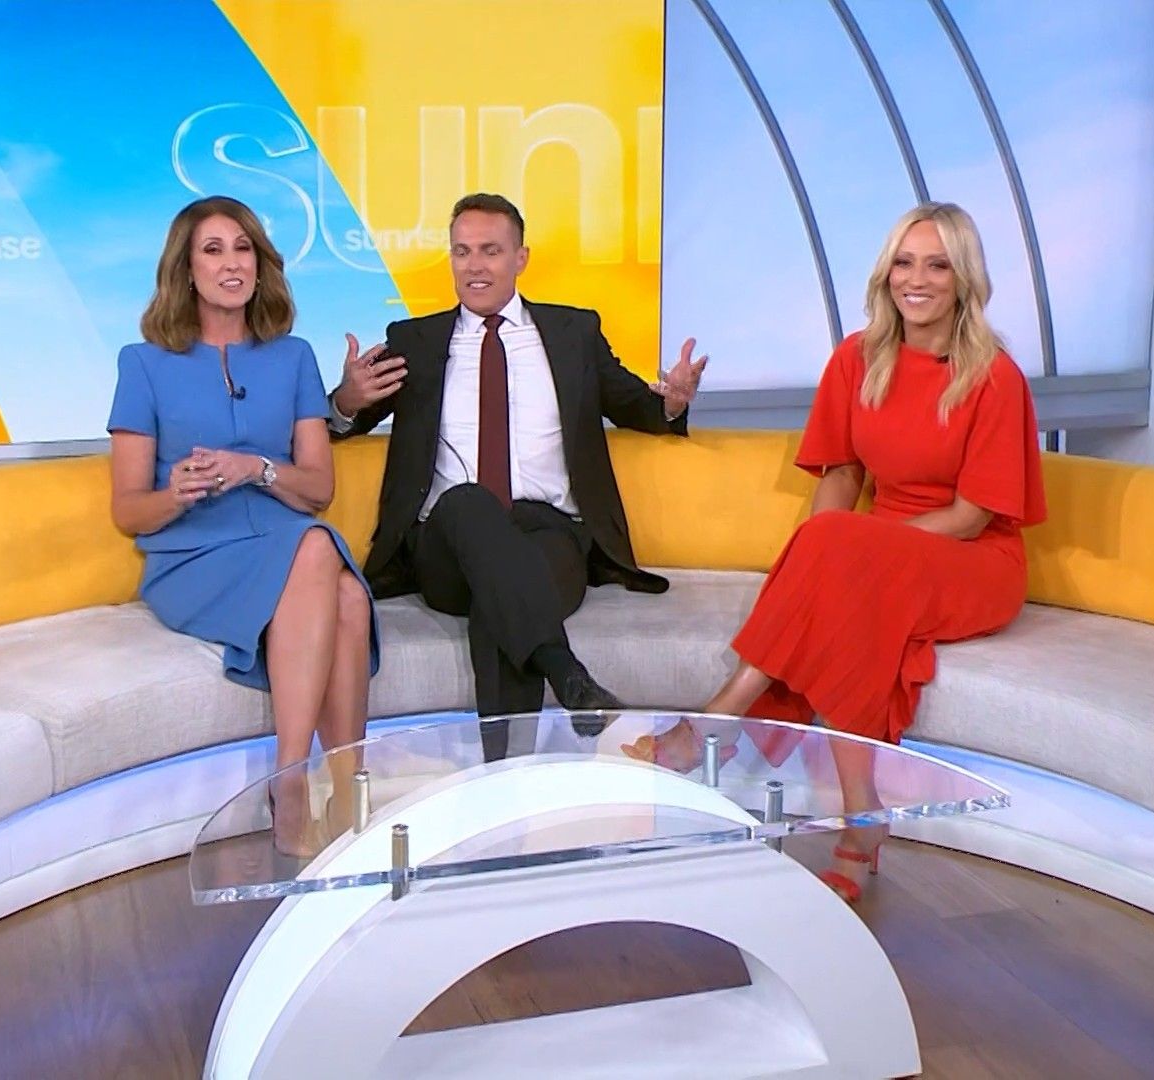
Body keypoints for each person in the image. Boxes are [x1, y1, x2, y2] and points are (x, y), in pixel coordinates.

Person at [624, 202, 1045, 902]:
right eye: (904, 263)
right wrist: (828, 560)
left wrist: (852, 552)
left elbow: (972, 517)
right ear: (885, 274)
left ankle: (717, 721)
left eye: (937, 265)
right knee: (849, 589)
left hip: (971, 559)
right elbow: (843, 475)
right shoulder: (857, 359)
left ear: (964, 279)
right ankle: (861, 815)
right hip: (877, 551)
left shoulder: (994, 376)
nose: (916, 279)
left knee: (849, 564)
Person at [327, 193, 707, 757]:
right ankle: (567, 674)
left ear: (521, 258)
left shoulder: (573, 332)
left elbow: (637, 406)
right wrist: (346, 400)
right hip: (444, 544)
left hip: (551, 536)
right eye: (462, 251)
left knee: (502, 592)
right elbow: (342, 424)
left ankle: (504, 775)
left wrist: (671, 402)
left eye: (490, 250)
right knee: (468, 503)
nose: (474, 265)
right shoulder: (415, 341)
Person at [108, 195, 378, 857]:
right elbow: (128, 510)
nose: (231, 264)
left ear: (261, 265)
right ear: (186, 269)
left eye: (243, 249)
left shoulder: (293, 357)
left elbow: (317, 490)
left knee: (341, 586)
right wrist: (177, 493)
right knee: (322, 560)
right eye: (213, 250)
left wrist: (256, 468)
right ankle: (295, 782)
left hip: (285, 542)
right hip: (194, 557)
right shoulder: (143, 363)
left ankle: (347, 788)